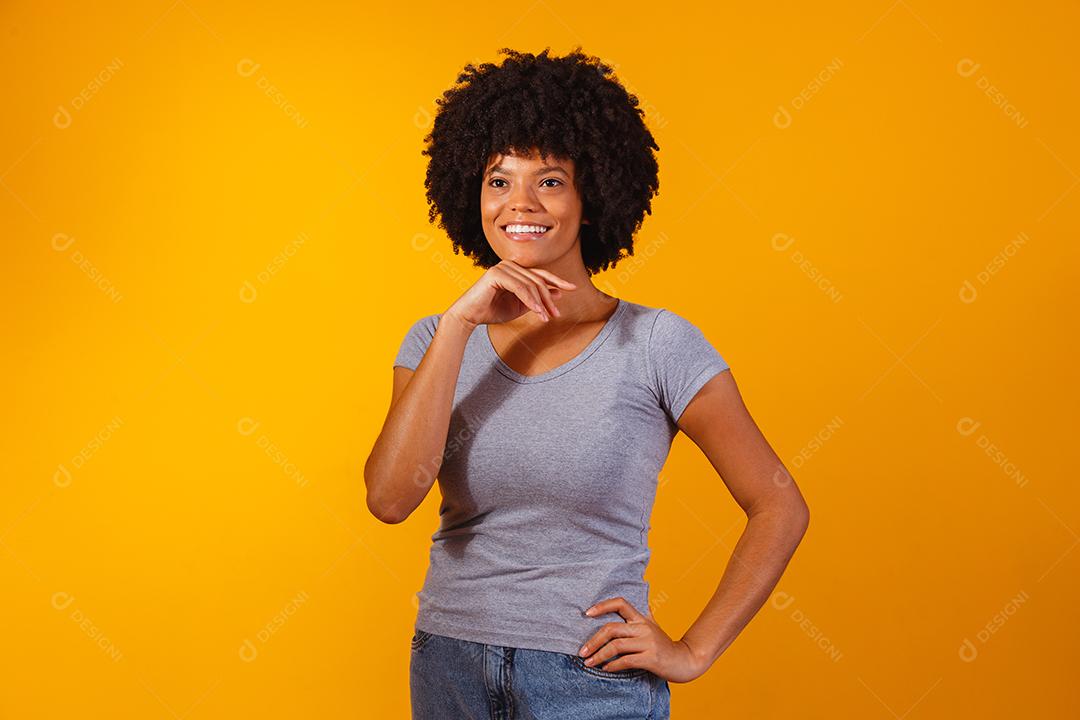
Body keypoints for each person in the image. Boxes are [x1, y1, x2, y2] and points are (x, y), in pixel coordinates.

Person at [364, 46, 810, 719]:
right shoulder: (433, 341)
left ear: (591, 195)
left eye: (549, 181)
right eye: (498, 180)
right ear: (469, 194)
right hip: (449, 664)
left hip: (589, 678)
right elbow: (391, 498)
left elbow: (779, 507)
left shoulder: (657, 344)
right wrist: (461, 323)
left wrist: (692, 651)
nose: (519, 203)